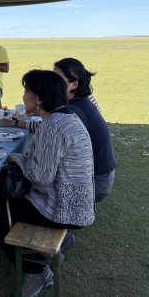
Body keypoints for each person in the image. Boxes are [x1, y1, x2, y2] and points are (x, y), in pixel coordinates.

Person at [0, 70, 94, 297]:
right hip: (78, 202)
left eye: (26, 91)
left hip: (64, 207)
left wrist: (17, 158)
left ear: (39, 99)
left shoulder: (52, 126)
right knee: (10, 200)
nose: (23, 96)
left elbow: (41, 177)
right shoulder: (66, 117)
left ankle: (36, 272)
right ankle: (60, 242)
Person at [53, 58, 116, 202]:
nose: (51, 82)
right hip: (102, 174)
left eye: (57, 79)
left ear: (74, 84)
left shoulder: (74, 110)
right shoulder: (82, 100)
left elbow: (55, 139)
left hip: (97, 182)